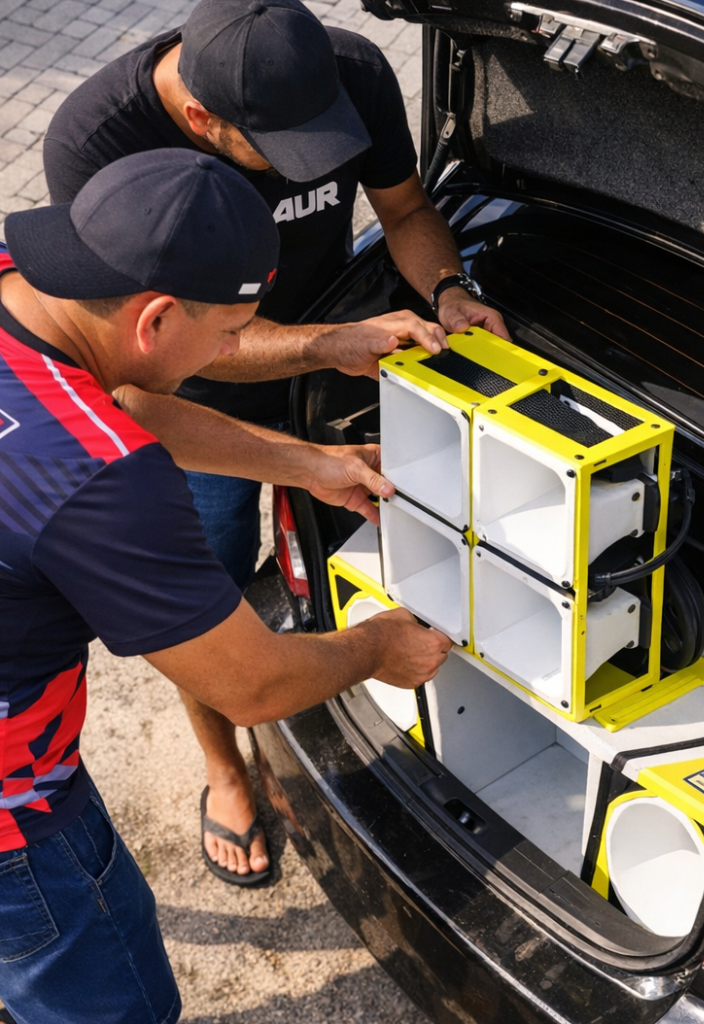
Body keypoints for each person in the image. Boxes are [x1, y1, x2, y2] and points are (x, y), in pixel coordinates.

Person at [43, 0, 508, 884]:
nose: (314, 164)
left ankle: (332, 679)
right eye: (281, 150)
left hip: (342, 358)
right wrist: (325, 343)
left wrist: (448, 290)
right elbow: (143, 375)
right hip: (193, 399)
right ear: (200, 122)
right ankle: (226, 769)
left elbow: (405, 208)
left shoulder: (346, 73)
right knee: (208, 603)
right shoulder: (97, 144)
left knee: (341, 543)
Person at [0, 147, 452, 1024]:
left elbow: (109, 398)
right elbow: (252, 685)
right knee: (106, 985)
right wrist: (380, 646)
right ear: (156, 317)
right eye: (228, 334)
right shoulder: (97, 483)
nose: (232, 350)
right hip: (14, 806)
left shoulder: (23, 286)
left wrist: (306, 461)